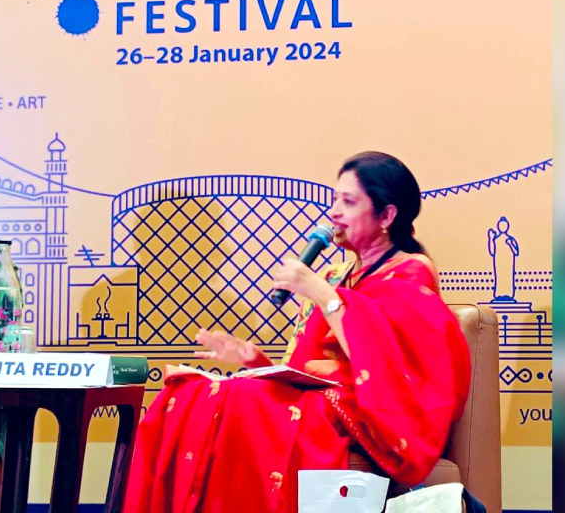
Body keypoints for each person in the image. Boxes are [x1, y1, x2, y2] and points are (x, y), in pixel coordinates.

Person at [123, 152, 472, 513]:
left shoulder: (409, 274)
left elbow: (388, 371)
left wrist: (321, 292)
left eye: (348, 202)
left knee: (239, 400)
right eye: (335, 199)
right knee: (191, 392)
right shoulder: (340, 276)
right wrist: (253, 360)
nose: (334, 211)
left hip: (369, 418)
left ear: (386, 216)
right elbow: (306, 373)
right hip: (322, 402)